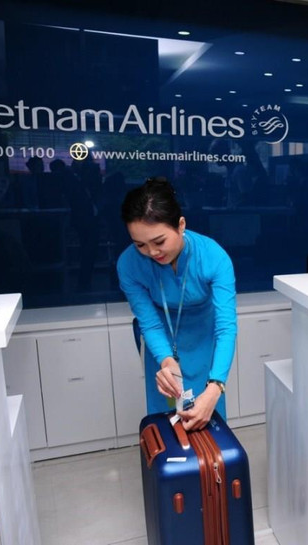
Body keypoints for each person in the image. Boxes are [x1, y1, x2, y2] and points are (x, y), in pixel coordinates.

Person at [117, 177, 237, 430]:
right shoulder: (128, 264)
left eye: (159, 241)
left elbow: (226, 327)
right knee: (166, 416)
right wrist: (166, 360)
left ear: (181, 225)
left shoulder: (213, 256)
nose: (152, 252)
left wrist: (216, 386)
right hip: (159, 340)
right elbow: (148, 322)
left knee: (208, 413)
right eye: (140, 244)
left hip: (204, 338)